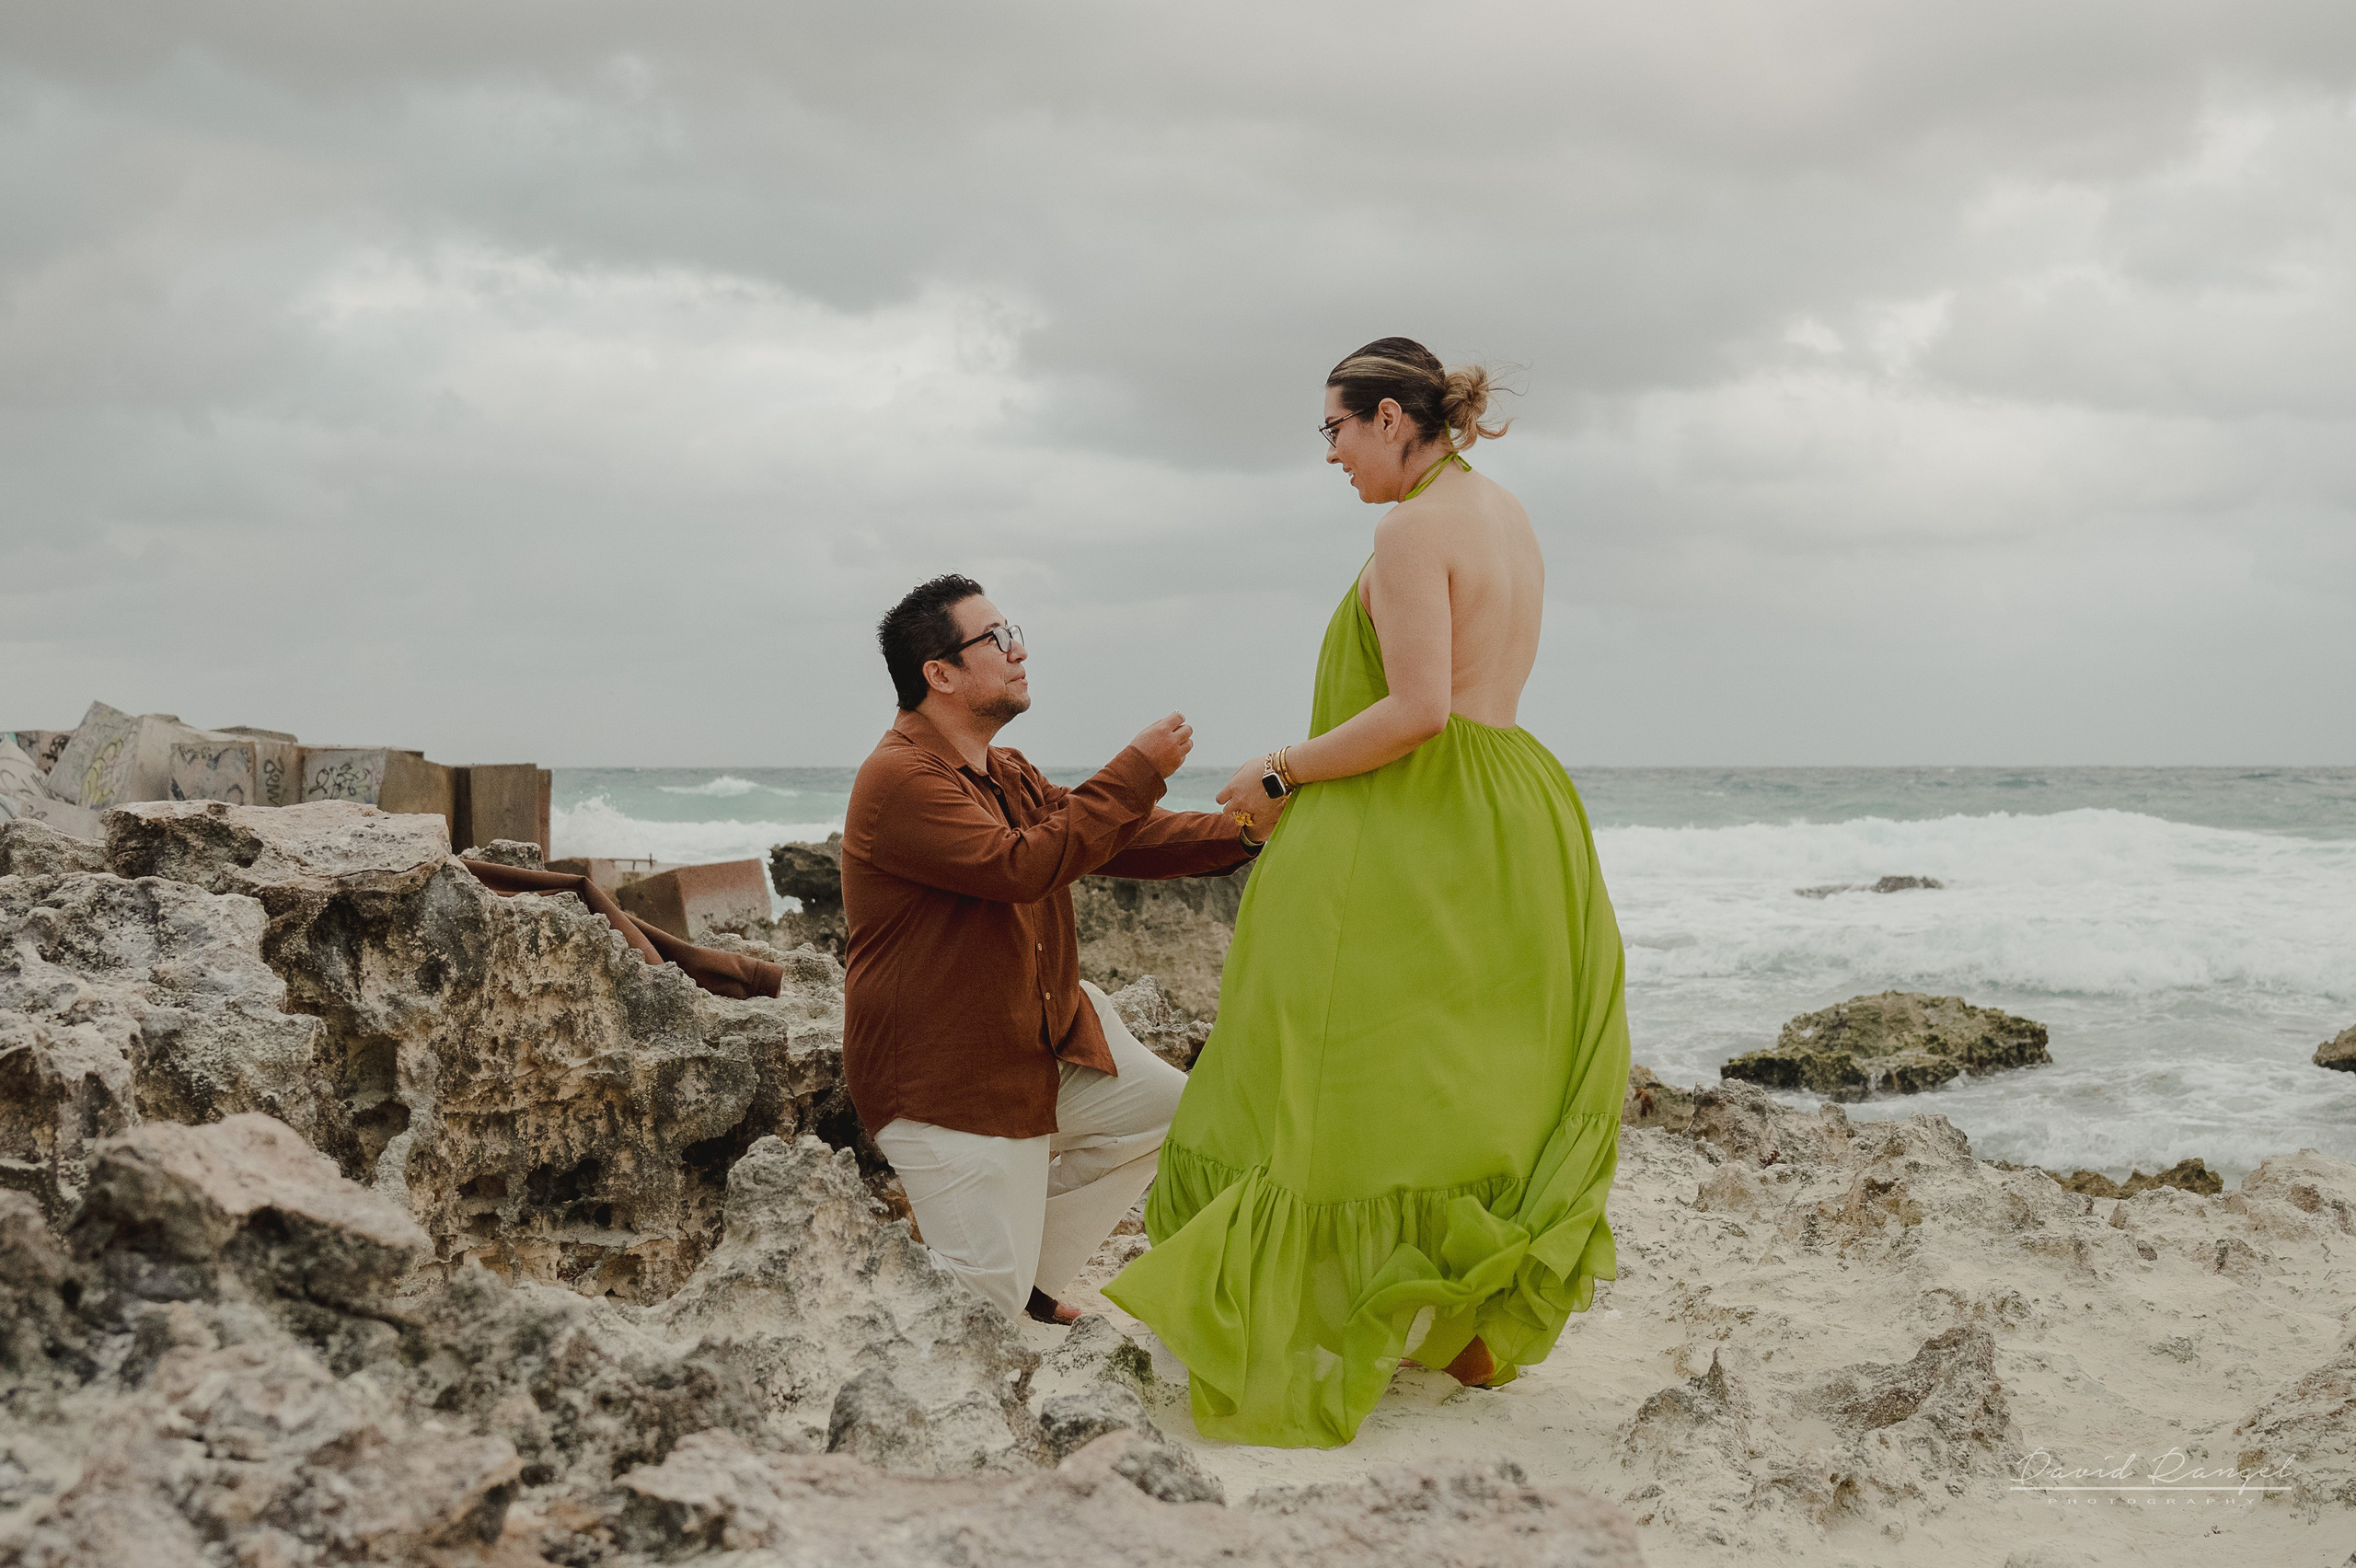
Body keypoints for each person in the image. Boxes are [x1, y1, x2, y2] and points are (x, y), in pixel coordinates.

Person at [1103, 339, 1632, 1447]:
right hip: (1516, 811)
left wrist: (1278, 769)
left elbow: (1417, 710)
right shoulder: (1506, 514)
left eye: (1337, 429)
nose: (1333, 454)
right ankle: (1467, 1319)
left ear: (1392, 418)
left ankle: (1304, 1320)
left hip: (1408, 822)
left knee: (1312, 1072)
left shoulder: (1408, 531)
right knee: (1471, 1077)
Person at [840, 574, 1277, 1327]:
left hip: (1038, 1050)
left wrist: (1243, 832)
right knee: (981, 1314)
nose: (1020, 650)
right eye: (997, 639)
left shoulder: (1004, 770)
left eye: (1014, 631)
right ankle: (1013, 1292)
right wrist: (1137, 768)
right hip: (947, 1085)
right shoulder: (899, 778)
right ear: (940, 674)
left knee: (1172, 1114)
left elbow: (1115, 837)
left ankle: (1038, 1284)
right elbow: (1023, 865)